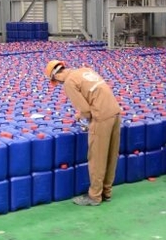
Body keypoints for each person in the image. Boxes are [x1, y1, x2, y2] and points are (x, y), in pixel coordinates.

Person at [46, 59, 122, 206]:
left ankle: (94, 196)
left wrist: (81, 117)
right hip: (115, 112)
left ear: (55, 77)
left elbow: (86, 110)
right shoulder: (84, 70)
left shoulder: (68, 83)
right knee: (111, 155)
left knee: (97, 158)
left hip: (101, 117)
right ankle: (106, 192)